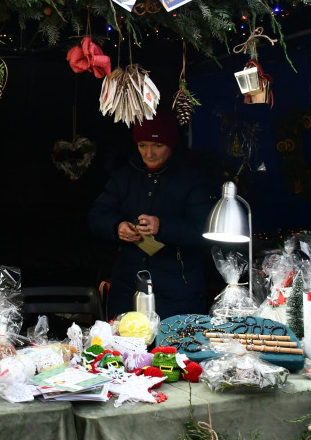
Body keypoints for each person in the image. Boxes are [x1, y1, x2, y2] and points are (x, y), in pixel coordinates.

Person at [88, 106, 216, 319]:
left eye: (158, 145)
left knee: (173, 350)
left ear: (171, 143)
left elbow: (204, 231)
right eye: (142, 145)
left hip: (178, 291)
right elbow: (96, 215)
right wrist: (116, 226)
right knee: (124, 348)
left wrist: (162, 226)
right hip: (128, 287)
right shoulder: (124, 174)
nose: (149, 153)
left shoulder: (192, 179)